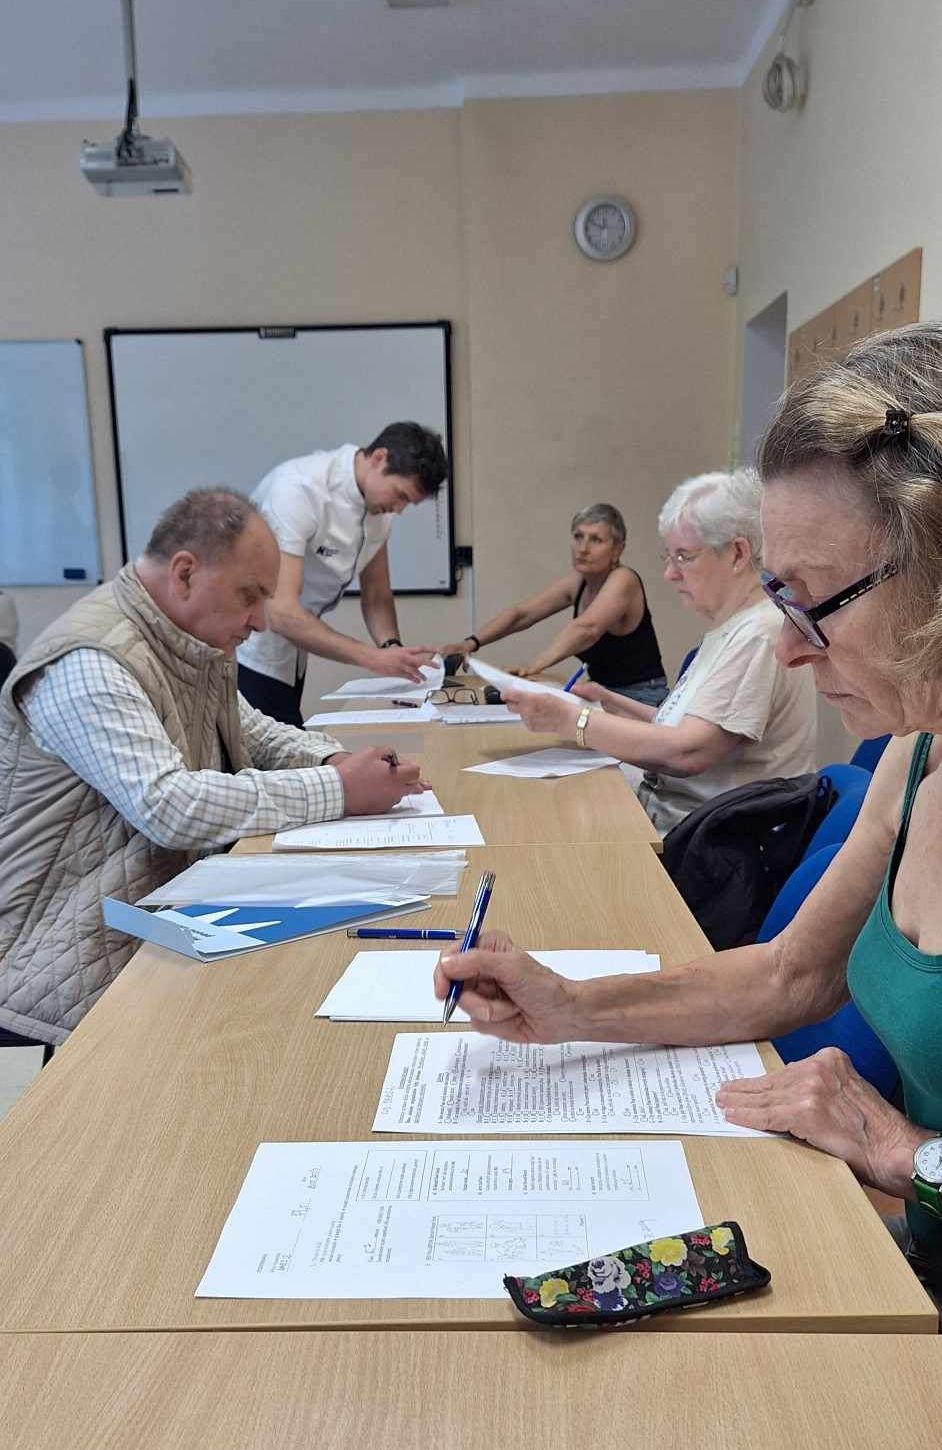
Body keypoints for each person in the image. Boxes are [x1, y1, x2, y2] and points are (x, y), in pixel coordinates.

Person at [435, 321, 942, 1302]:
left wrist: (906, 1150)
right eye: (777, 598)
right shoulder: (917, 751)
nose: (788, 648)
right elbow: (792, 972)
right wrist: (574, 1007)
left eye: (816, 601)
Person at [0, 489, 426, 1047]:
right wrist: (340, 789)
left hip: (156, 926)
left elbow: (250, 730)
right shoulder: (89, 662)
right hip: (63, 966)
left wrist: (333, 758)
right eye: (251, 596)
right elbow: (169, 805)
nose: (261, 621)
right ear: (184, 573)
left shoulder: (185, 640)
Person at [502, 470, 818, 836]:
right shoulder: (733, 628)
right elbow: (685, 725)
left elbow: (688, 752)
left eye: (683, 556)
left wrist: (574, 720)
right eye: (669, 557)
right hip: (681, 823)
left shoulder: (759, 633)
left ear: (737, 553)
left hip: (704, 844)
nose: (669, 573)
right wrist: (607, 700)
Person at [237, 421, 449, 725]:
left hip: (291, 652)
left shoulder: (379, 507)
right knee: (272, 747)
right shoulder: (298, 489)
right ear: (379, 458)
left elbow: (376, 595)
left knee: (290, 740)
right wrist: (372, 658)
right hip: (246, 649)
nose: (399, 509)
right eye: (400, 495)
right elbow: (280, 611)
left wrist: (393, 650)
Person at [438, 503, 668, 705]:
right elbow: (522, 614)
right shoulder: (579, 581)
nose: (583, 548)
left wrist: (534, 666)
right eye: (578, 536)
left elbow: (587, 628)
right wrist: (471, 643)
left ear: (618, 549)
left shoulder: (624, 579)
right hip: (603, 692)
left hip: (640, 697)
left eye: (596, 540)